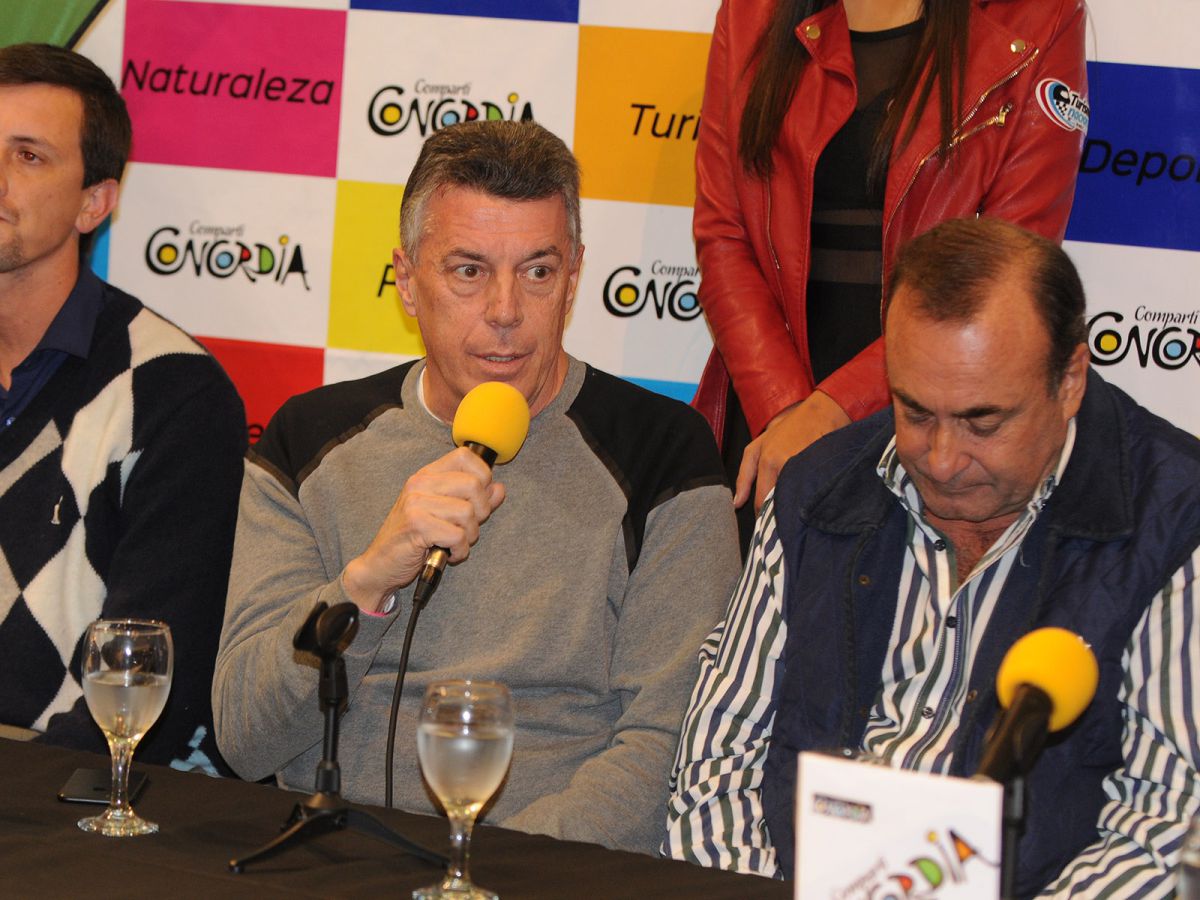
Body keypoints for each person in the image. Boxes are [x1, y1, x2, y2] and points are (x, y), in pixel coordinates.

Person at [212, 120, 740, 855]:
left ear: (574, 278)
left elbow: (669, 747)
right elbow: (245, 737)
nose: (505, 311)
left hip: (545, 873)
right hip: (335, 860)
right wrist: (367, 581)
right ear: (406, 280)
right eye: (468, 271)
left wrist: (486, 871)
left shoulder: (662, 451)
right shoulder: (309, 440)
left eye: (538, 272)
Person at [664, 218, 1200, 896]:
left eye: (983, 421)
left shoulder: (1174, 520)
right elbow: (717, 764)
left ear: (1069, 380)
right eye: (915, 412)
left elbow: (1164, 826)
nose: (942, 460)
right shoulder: (817, 491)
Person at [691, 0, 1088, 537]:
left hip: (939, 424)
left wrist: (832, 411)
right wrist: (786, 413)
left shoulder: (1037, 17)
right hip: (772, 424)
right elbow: (724, 235)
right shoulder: (751, 12)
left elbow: (1010, 270)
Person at [0, 44, 246, 771]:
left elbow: (150, 685)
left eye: (28, 156)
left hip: (66, 801)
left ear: (94, 203)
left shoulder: (172, 393)